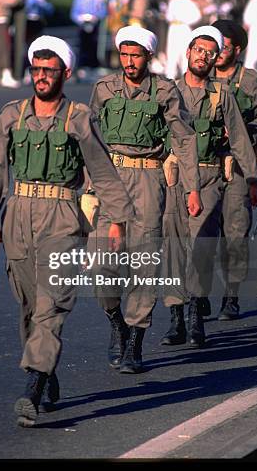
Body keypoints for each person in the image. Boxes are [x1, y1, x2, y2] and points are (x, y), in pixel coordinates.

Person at [0, 35, 134, 427]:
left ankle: (32, 385)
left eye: (49, 70)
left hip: (61, 216)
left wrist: (119, 221)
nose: (41, 77)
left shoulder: (78, 117)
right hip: (17, 216)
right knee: (27, 303)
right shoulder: (11, 114)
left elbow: (103, 171)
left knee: (52, 303)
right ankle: (45, 372)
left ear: (65, 73)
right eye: (36, 69)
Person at [88, 25, 202, 373]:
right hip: (110, 179)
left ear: (148, 57)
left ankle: (134, 342)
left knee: (145, 262)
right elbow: (89, 138)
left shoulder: (165, 91)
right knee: (100, 263)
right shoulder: (104, 88)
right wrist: (86, 188)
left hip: (149, 179)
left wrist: (192, 187)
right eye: (124, 54)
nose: (129, 61)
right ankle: (117, 324)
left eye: (135, 55)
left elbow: (183, 139)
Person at [160, 26, 257, 348]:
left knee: (200, 246)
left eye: (210, 52)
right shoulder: (169, 91)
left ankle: (195, 314)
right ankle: (176, 316)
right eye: (198, 50)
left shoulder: (222, 94)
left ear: (216, 57)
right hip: (172, 178)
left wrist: (252, 179)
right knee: (173, 249)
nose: (203, 56)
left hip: (208, 177)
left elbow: (240, 139)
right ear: (188, 52)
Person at [210, 20, 257, 319]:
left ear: (237, 50)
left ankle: (231, 294)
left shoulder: (250, 81)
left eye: (225, 46)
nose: (219, 52)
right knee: (199, 235)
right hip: (204, 165)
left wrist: (241, 131)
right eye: (215, 45)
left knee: (235, 232)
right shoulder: (199, 77)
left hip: (238, 166)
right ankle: (195, 298)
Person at [165, 0, 201, 80]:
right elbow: (168, 16)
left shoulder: (190, 2)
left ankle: (185, 75)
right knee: (171, 53)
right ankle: (170, 76)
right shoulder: (172, 1)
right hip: (173, 28)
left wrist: (185, 20)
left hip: (184, 28)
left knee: (185, 52)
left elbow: (197, 16)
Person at [70, 0, 107, 74]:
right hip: (82, 25)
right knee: (83, 45)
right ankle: (82, 66)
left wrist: (95, 17)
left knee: (93, 46)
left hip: (94, 25)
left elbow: (103, 12)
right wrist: (81, 19)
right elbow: (74, 14)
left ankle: (92, 66)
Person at [22, 0, 54, 84]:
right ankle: (27, 71)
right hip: (28, 22)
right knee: (27, 47)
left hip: (39, 22)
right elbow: (27, 6)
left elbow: (50, 10)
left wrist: (42, 2)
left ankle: (36, 71)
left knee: (37, 48)